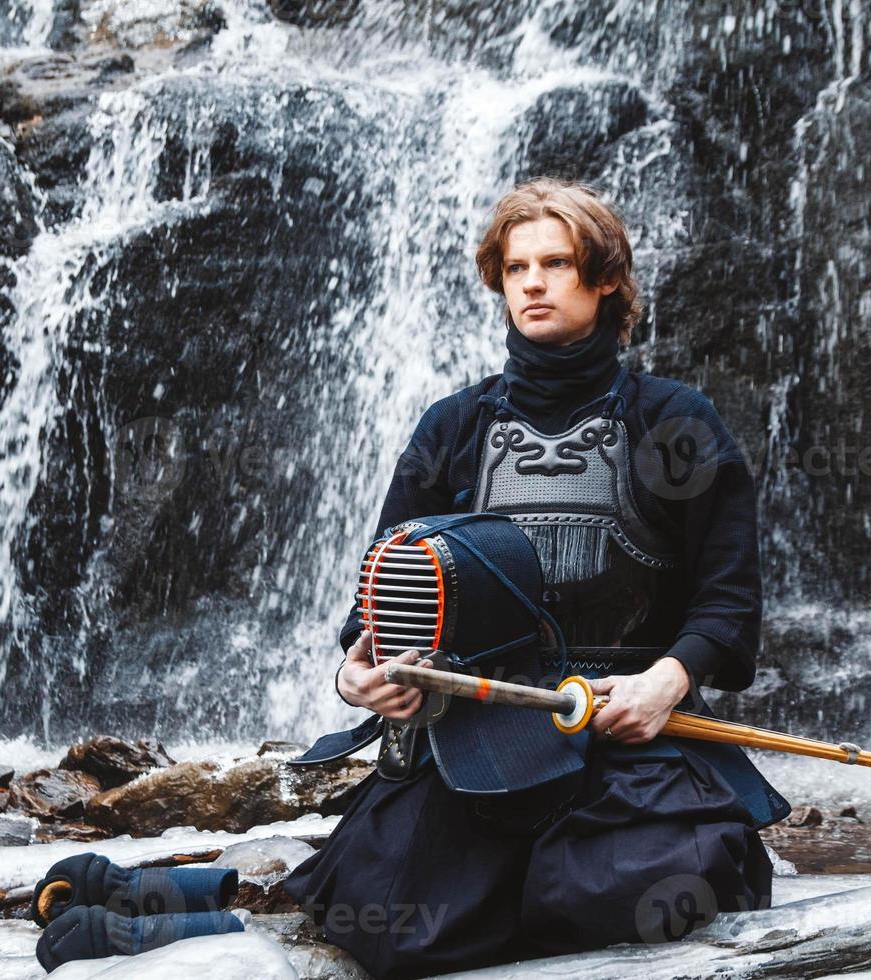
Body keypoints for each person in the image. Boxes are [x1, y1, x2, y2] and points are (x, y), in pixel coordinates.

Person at [284, 177, 788, 978]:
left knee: (623, 898)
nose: (533, 283)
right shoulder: (452, 426)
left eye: (555, 263)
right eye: (517, 267)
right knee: (395, 925)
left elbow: (727, 596)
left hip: (631, 740)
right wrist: (360, 675)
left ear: (607, 280)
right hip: (471, 738)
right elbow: (378, 592)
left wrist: (666, 680)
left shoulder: (678, 421)